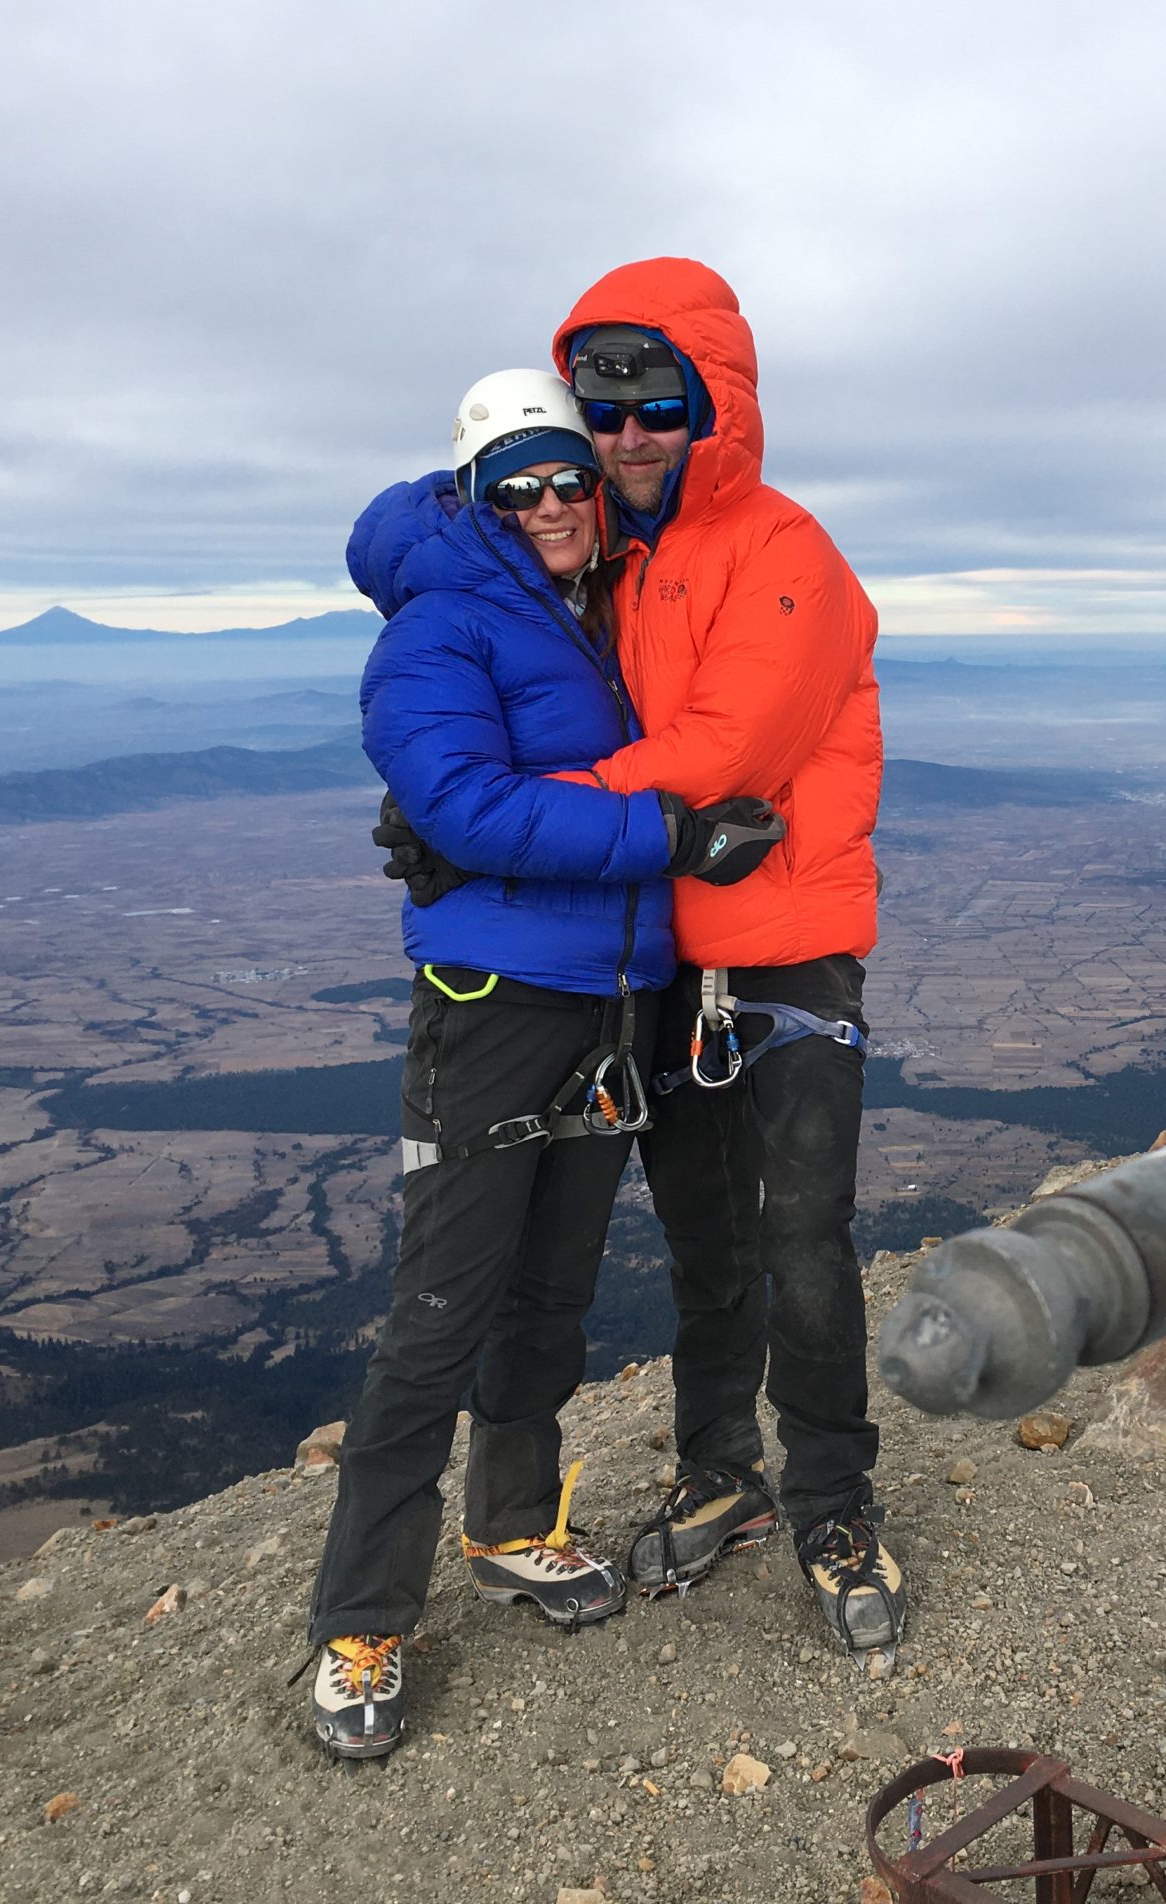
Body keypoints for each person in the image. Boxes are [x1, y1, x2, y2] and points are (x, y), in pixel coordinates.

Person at [304, 370, 783, 1760]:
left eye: (569, 475)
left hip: (615, 1003)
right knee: (440, 1312)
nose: (558, 502)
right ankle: (360, 1622)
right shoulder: (443, 625)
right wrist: (670, 843)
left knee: (549, 1296)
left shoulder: (598, 607)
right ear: (474, 496)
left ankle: (514, 1524)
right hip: (499, 1005)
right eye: (520, 485)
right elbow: (464, 804)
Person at [553, 259, 902, 1654]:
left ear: (715, 405)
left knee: (801, 1241)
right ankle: (725, 1473)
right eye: (604, 403)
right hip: (656, 955)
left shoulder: (785, 552)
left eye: (658, 401)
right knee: (707, 1244)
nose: (630, 432)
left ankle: (833, 1498)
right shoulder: (609, 566)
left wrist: (516, 822)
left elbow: (723, 755)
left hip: (789, 958)